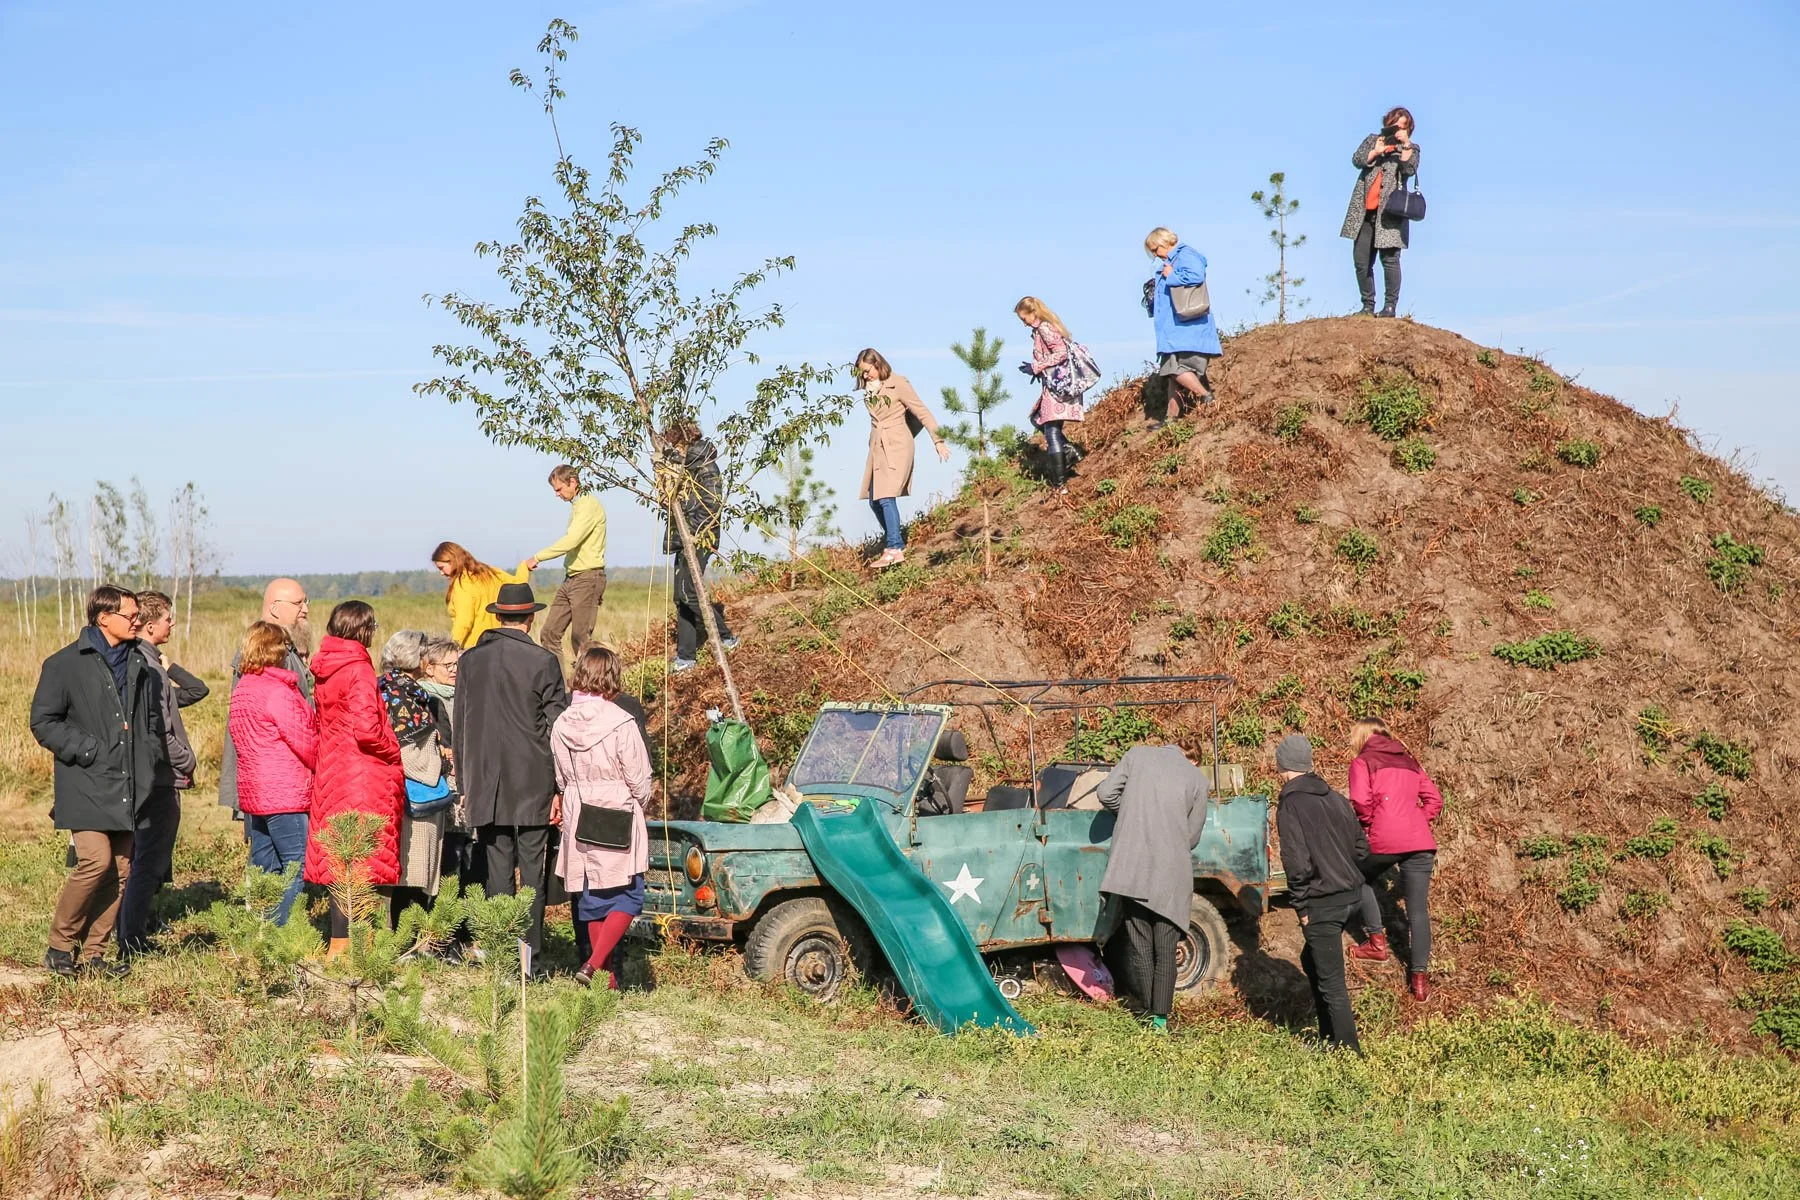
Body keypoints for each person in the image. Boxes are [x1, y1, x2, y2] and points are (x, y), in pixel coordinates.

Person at [28, 585, 166, 977]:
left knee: (120, 869)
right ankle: (59, 947)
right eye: (130, 615)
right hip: (85, 781)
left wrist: (147, 756)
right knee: (95, 861)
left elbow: (150, 721)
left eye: (138, 615)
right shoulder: (64, 664)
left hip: (129, 782)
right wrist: (88, 749)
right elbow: (43, 722)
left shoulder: (140, 663)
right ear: (104, 618)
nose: (137, 621)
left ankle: (93, 956)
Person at [455, 582, 570, 967]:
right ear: (530, 618)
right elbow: (557, 728)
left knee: (497, 869)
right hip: (534, 777)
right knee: (532, 871)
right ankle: (528, 958)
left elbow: (461, 725)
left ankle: (502, 953)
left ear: (498, 616)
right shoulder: (543, 661)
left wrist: (465, 783)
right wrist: (560, 786)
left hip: (484, 778)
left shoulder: (470, 661)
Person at [304, 601, 405, 956]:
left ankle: (339, 946)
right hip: (363, 774)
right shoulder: (359, 669)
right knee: (363, 860)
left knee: (342, 861)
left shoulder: (326, 666)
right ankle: (361, 949)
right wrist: (393, 749)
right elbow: (367, 730)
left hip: (333, 769)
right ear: (363, 629)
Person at [552, 646, 654, 989]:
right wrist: (639, 801)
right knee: (629, 894)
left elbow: (562, 776)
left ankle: (604, 982)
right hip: (616, 808)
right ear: (612, 676)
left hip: (579, 808)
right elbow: (639, 778)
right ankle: (595, 965)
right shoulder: (621, 721)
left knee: (593, 898)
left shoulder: (562, 722)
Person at [117, 589, 210, 955]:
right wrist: (185, 760)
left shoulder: (143, 661)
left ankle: (128, 931)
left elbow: (195, 691)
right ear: (151, 625)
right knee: (148, 863)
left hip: (149, 775)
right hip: (158, 777)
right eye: (169, 619)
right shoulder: (147, 667)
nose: (173, 624)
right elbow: (158, 729)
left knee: (139, 860)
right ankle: (132, 939)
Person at [1096, 739, 1210, 1032]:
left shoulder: (1137, 755)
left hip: (1132, 869)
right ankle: (1160, 1019)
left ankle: (1148, 1015)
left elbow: (1105, 793)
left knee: (1141, 946)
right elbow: (1192, 838)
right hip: (1171, 874)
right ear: (1192, 759)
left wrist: (1130, 814)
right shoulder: (1197, 779)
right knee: (1166, 948)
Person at [1274, 734, 1370, 1054]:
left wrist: (1301, 906)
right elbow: (1361, 848)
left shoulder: (1291, 804)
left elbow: (1296, 862)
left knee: (1332, 982)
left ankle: (1348, 1054)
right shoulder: (1336, 798)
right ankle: (1329, 1038)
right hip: (1351, 896)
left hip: (1323, 901)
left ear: (1282, 766)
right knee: (1311, 959)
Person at [1346, 717, 1444, 1002]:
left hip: (1386, 837)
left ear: (1363, 736)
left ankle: (1377, 943)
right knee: (1418, 911)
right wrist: (1415, 820)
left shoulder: (1363, 762)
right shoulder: (1410, 761)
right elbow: (1435, 800)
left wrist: (1374, 824)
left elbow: (1361, 802)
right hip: (1420, 841)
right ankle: (1419, 982)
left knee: (1357, 876)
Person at [227, 620, 317, 925]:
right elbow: (306, 741)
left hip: (254, 791)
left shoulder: (243, 688)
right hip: (284, 792)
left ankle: (260, 928)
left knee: (265, 866)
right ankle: (281, 931)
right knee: (295, 864)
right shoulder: (278, 692)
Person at [220, 578, 314, 822]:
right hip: (272, 783)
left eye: (306, 601)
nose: (305, 609)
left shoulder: (285, 648)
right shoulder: (264, 652)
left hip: (280, 782)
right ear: (275, 607)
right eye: (298, 603)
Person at [854, 348, 950, 568]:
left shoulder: (898, 383)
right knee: (874, 501)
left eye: (868, 371)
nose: (865, 376)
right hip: (878, 447)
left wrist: (938, 441)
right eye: (862, 373)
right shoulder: (869, 389)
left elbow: (922, 412)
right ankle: (895, 538)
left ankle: (894, 548)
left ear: (877, 364)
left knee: (886, 496)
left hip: (897, 445)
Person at [378, 631, 450, 917]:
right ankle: (408, 937)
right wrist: (439, 762)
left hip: (400, 791)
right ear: (414, 659)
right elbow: (406, 754)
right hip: (413, 795)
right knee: (411, 876)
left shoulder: (390, 688)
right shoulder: (402, 697)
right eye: (424, 654)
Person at [661, 421, 738, 672]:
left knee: (688, 591)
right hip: (685, 536)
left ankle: (726, 637)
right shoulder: (684, 467)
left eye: (672, 444)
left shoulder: (705, 464)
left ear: (683, 441)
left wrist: (690, 531)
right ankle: (686, 657)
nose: (671, 449)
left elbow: (711, 505)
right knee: (680, 596)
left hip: (701, 536)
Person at [1340, 106, 1420, 318]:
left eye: (1402, 127)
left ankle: (1390, 306)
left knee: (1390, 260)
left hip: (1391, 214)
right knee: (1361, 261)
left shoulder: (1411, 148)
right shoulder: (1373, 140)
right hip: (1364, 211)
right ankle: (1367, 305)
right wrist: (1376, 151)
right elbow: (1357, 160)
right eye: (1394, 125)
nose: (1397, 130)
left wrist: (1405, 145)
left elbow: (1409, 169)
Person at [526, 465, 607, 664]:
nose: (557, 494)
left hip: (588, 577)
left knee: (580, 638)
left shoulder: (588, 504)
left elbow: (571, 541)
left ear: (572, 482)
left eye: (559, 489)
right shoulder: (577, 505)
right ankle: (558, 682)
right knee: (549, 634)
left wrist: (537, 557)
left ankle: (592, 680)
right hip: (571, 578)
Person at [1142, 228, 1221, 428]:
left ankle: (1206, 397)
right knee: (1172, 376)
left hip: (1187, 329)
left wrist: (1171, 275)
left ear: (1165, 242)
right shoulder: (1174, 259)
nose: (1155, 255)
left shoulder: (1186, 255)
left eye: (1155, 249)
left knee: (1173, 369)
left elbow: (1196, 275)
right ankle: (1171, 419)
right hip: (1176, 330)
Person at [1014, 296, 1087, 493]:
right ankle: (1069, 451)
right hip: (1054, 385)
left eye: (1024, 318)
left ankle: (1060, 483)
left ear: (1033, 312)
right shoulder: (1041, 329)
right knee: (1038, 419)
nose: (1024, 323)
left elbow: (1061, 353)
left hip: (1058, 387)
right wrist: (1036, 369)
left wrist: (1036, 366)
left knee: (1051, 431)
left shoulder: (1044, 328)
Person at [433, 542, 531, 650]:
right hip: (498, 643)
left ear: (453, 561)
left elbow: (464, 623)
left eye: (441, 568)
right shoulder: (490, 572)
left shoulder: (462, 585)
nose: (441, 573)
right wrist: (524, 566)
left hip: (474, 647)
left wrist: (451, 648)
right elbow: (518, 584)